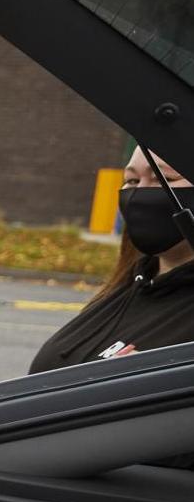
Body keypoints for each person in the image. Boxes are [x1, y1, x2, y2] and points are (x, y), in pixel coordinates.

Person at [30, 147, 194, 371]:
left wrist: (161, 383)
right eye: (132, 180)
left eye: (163, 179)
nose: (140, 193)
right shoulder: (132, 283)